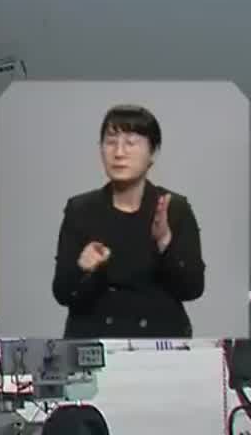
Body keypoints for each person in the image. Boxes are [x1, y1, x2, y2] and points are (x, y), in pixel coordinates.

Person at [50, 104, 205, 339]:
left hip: (160, 343)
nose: (119, 153)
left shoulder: (174, 207)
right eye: (111, 142)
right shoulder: (80, 210)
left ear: (152, 153)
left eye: (131, 143)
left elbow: (192, 289)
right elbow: (63, 294)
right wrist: (82, 268)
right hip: (95, 342)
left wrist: (165, 242)